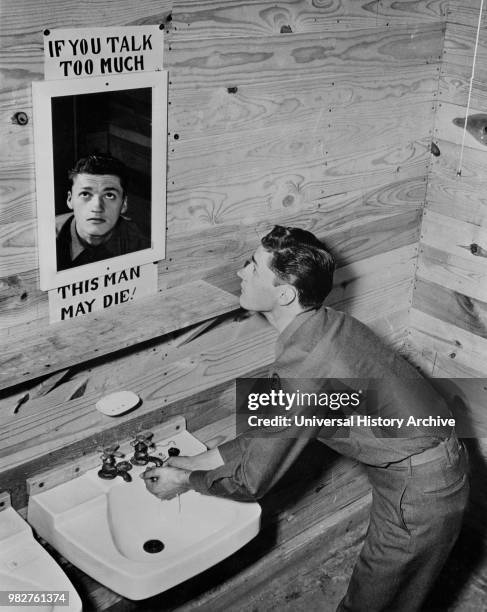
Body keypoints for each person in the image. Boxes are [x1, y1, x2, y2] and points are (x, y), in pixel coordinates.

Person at [141, 225, 469, 612]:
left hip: (420, 487)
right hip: (432, 465)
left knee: (373, 605)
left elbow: (250, 483)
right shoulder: (326, 324)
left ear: (284, 294)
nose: (240, 273)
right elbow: (271, 426)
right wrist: (200, 459)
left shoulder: (304, 366)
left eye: (253, 267)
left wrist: (186, 480)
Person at [56, 153, 150, 271]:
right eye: (85, 194)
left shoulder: (142, 243)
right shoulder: (46, 241)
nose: (97, 207)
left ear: (124, 203)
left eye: (109, 195)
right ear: (70, 200)